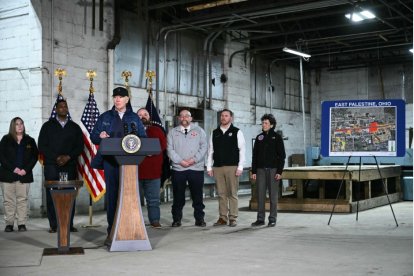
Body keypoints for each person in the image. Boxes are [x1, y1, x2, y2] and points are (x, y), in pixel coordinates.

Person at [90, 87, 146, 238]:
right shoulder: (105, 117)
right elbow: (93, 137)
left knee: (130, 195)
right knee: (113, 197)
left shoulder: (134, 117)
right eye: (115, 96)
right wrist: (100, 135)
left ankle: (130, 229)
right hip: (110, 162)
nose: (117, 99)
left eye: (121, 97)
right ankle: (112, 231)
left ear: (127, 99)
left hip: (130, 164)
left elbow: (143, 138)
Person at [38, 99, 84, 233]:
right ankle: (54, 225)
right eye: (61, 106)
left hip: (69, 166)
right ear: (56, 109)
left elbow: (79, 146)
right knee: (52, 194)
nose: (63, 108)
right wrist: (56, 157)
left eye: (65, 106)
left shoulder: (74, 127)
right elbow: (42, 145)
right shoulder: (47, 126)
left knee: (69, 195)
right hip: (52, 165)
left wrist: (68, 157)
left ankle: (68, 224)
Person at [167, 109, 207, 227]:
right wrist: (180, 161)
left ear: (191, 118)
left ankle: (199, 219)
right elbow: (169, 149)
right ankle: (176, 219)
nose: (184, 118)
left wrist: (193, 160)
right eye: (181, 116)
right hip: (179, 169)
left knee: (197, 197)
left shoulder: (199, 131)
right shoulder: (172, 132)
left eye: (187, 116)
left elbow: (204, 147)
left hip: (196, 168)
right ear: (179, 118)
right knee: (178, 197)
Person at [207, 109, 245, 227]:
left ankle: (233, 218)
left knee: (232, 193)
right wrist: (209, 166)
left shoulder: (237, 132)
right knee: (221, 194)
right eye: (222, 116)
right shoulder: (214, 133)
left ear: (231, 118)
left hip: (232, 167)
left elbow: (242, 150)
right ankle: (222, 218)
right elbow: (210, 151)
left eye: (226, 116)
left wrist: (240, 166)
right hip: (218, 167)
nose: (223, 118)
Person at [0, 117, 38, 232]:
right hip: (7, 175)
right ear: (13, 126)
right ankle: (9, 224)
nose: (20, 126)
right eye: (17, 124)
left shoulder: (30, 140)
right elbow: (1, 157)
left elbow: (34, 157)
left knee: (23, 200)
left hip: (24, 175)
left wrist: (25, 170)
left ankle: (21, 223)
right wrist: (13, 169)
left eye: (21, 123)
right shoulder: (6, 139)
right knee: (8, 201)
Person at [251, 114, 286, 227]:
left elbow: (282, 156)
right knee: (260, 195)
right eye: (263, 123)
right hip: (260, 170)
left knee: (273, 196)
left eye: (266, 123)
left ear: (271, 125)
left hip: (273, 170)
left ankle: (272, 219)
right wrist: (254, 171)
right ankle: (260, 219)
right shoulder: (259, 137)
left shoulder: (277, 137)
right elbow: (254, 156)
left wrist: (279, 172)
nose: (264, 125)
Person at [137, 108, 167, 228]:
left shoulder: (157, 130)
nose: (142, 116)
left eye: (145, 114)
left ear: (149, 117)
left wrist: (152, 151)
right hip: (135, 172)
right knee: (135, 201)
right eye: (139, 115)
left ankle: (154, 220)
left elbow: (163, 146)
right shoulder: (131, 131)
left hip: (153, 172)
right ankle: (136, 221)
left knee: (154, 200)